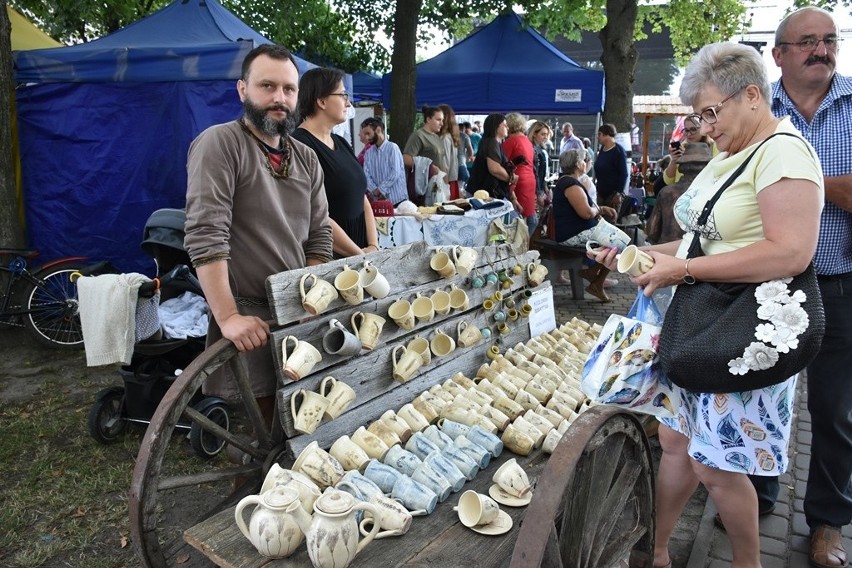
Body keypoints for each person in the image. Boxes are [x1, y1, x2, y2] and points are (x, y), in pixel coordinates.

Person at [591, 42, 824, 568]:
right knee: (674, 441)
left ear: (752, 96)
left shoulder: (782, 151)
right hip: (702, 322)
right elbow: (705, 242)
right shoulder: (731, 152)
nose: (704, 125)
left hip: (741, 330)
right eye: (698, 115)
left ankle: (748, 563)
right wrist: (645, 255)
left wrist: (684, 270)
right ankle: (656, 549)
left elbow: (791, 251)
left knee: (718, 466)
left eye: (710, 112)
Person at [184, 44, 333, 423]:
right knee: (259, 431)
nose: (279, 98)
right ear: (242, 90)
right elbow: (206, 233)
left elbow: (318, 237)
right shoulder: (220, 143)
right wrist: (229, 316)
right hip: (248, 316)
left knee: (303, 422)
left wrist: (308, 305)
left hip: (297, 313)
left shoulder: (307, 157)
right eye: (267, 86)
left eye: (288, 89)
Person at [763, 7, 851, 567]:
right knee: (762, 394)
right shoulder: (753, 106)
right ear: (779, 55)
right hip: (766, 281)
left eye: (829, 40)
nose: (821, 50)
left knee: (835, 408)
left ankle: (826, 522)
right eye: (806, 43)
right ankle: (757, 495)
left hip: (838, 280)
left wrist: (798, 177)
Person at [292, 67, 379, 257]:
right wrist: (358, 254)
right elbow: (314, 215)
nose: (348, 103)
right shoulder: (298, 145)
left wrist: (373, 245)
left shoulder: (340, 142)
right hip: (329, 255)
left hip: (361, 252)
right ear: (321, 101)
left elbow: (361, 196)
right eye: (342, 95)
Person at [552, 148, 618, 302]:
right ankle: (596, 279)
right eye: (584, 160)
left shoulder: (569, 182)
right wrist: (599, 209)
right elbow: (586, 213)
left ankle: (595, 275)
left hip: (575, 231)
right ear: (578, 164)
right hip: (572, 235)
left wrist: (599, 210)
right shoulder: (570, 184)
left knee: (617, 240)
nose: (587, 163)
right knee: (618, 241)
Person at [467, 114, 517, 203]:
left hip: (483, 193)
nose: (508, 128)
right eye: (505, 125)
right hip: (483, 194)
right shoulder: (491, 142)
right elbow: (495, 169)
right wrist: (511, 178)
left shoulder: (492, 142)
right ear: (496, 127)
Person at [360, 117, 407, 206]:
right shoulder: (368, 153)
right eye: (364, 134)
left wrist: (379, 190)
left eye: (368, 133)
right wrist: (375, 191)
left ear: (378, 130)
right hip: (379, 202)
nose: (366, 137)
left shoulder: (392, 148)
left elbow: (395, 173)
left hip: (398, 200)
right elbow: (366, 175)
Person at [503, 112, 537, 231]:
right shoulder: (527, 141)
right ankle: (525, 243)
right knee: (528, 215)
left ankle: (520, 244)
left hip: (518, 180)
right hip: (530, 180)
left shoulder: (511, 142)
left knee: (516, 218)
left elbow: (503, 163)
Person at [661, 119, 716, 186]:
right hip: (682, 191)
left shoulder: (714, 146)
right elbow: (668, 180)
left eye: (693, 129)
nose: (689, 134)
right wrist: (674, 160)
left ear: (703, 128)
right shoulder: (682, 147)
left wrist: (688, 158)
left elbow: (716, 173)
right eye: (686, 130)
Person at [593, 123, 629, 211]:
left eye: (599, 134)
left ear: (606, 134)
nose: (598, 137)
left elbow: (624, 174)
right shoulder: (602, 149)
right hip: (601, 193)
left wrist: (618, 193)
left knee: (610, 221)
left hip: (612, 195)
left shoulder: (618, 152)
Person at [403, 105, 447, 174]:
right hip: (423, 182)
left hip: (439, 182)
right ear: (428, 119)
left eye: (442, 120)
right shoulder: (418, 135)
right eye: (438, 120)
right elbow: (406, 159)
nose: (441, 123)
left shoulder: (437, 137)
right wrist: (429, 168)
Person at [438, 104, 461, 200]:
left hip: (446, 180)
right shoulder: (450, 137)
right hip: (451, 179)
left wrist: (444, 186)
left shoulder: (444, 138)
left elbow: (445, 164)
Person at [527, 121, 551, 206]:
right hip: (533, 190)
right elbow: (534, 172)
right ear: (534, 134)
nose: (545, 137)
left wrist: (544, 187)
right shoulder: (531, 149)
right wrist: (538, 192)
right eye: (543, 134)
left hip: (539, 188)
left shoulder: (539, 148)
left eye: (546, 134)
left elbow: (540, 172)